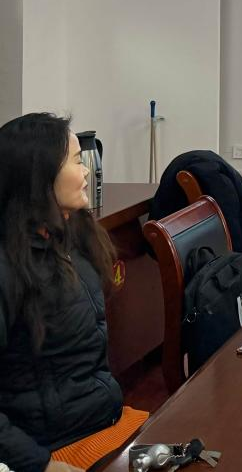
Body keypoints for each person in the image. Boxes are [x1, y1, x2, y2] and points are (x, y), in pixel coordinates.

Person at [0, 113, 149, 472]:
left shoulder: (70, 236)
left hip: (104, 419)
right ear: (40, 177)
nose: (86, 172)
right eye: (77, 161)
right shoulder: (8, 266)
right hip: (53, 447)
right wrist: (41, 465)